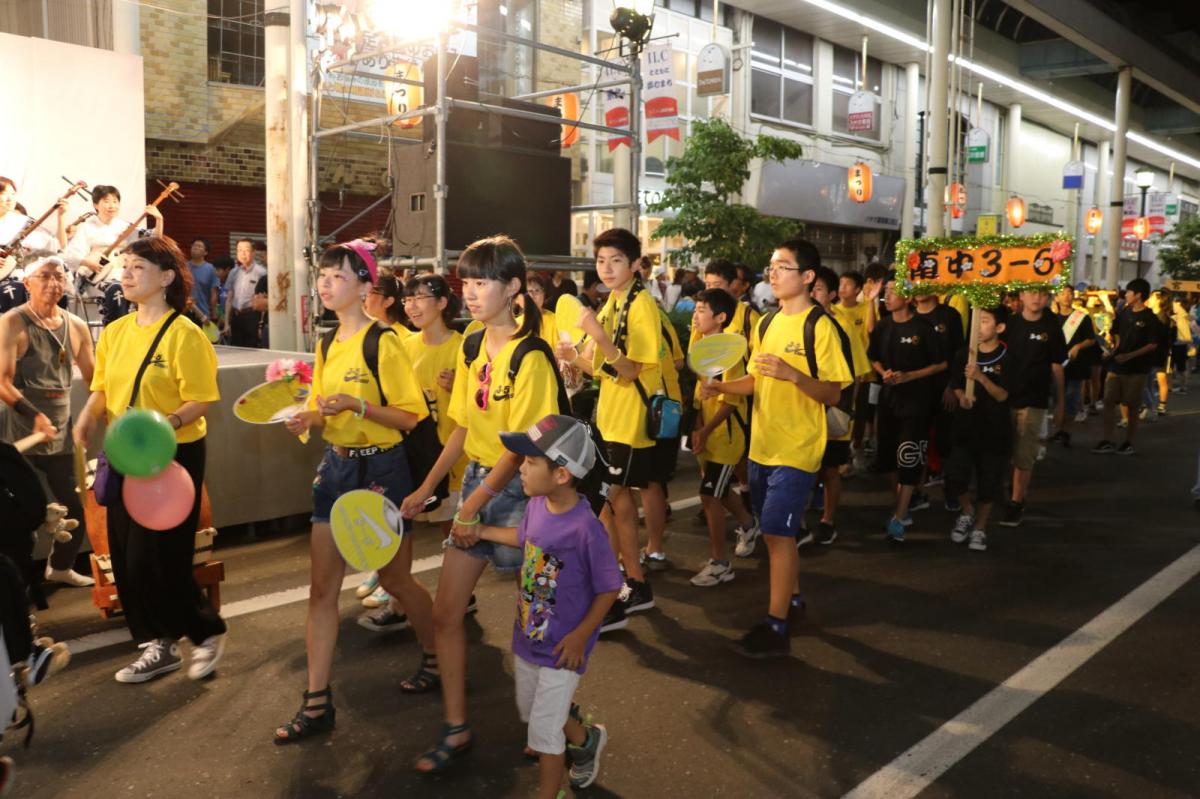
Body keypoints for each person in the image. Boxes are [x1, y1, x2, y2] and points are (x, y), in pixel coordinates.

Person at [400, 235, 560, 773]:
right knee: (447, 613)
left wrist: (472, 506)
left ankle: (564, 727)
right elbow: (464, 426)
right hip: (477, 480)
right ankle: (456, 726)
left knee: (534, 620)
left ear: (513, 287)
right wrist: (429, 488)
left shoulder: (531, 354)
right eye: (466, 281)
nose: (470, 292)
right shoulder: (471, 343)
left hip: (524, 490)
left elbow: (522, 450)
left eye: (482, 281)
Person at [273, 241, 431, 743]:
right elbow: (324, 408)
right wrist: (307, 416)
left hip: (383, 469)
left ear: (366, 287)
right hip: (337, 469)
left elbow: (409, 416)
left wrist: (357, 408)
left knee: (397, 579)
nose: (325, 283)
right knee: (323, 589)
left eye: (338, 276)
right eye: (322, 275)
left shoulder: (384, 343)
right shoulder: (325, 344)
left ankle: (437, 653)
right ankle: (317, 702)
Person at [73, 236, 226, 684]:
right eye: (124, 267)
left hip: (173, 454)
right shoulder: (117, 331)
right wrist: (86, 416)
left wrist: (166, 423)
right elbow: (102, 388)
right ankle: (157, 644)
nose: (125, 274)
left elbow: (202, 399)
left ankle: (205, 633)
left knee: (160, 555)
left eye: (136, 267)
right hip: (124, 451)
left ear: (165, 278)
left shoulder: (185, 333)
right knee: (125, 556)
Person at [700, 239, 852, 657]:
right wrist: (721, 385)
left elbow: (834, 393)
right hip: (762, 446)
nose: (774, 272)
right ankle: (794, 599)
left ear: (807, 277)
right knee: (777, 535)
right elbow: (754, 380)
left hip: (798, 449)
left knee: (776, 534)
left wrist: (793, 374)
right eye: (771, 265)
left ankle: (776, 624)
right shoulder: (766, 324)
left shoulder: (820, 326)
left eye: (783, 266)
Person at [477, 414, 621, 795]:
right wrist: (480, 531)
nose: (520, 469)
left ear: (561, 474)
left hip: (562, 649)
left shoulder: (585, 527)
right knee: (535, 714)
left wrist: (580, 637)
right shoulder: (538, 505)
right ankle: (587, 741)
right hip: (528, 639)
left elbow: (610, 586)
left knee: (542, 735)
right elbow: (524, 538)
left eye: (530, 462)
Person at [558, 228, 662, 631]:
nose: (607, 267)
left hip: (632, 420)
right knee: (616, 506)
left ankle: (615, 589)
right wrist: (573, 356)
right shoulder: (612, 302)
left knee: (603, 503)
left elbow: (633, 368)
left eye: (616, 260)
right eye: (601, 260)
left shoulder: (641, 305)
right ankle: (633, 583)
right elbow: (598, 368)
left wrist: (599, 338)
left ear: (636, 264)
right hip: (611, 417)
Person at [359, 274, 472, 633]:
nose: (411, 306)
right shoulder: (404, 345)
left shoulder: (462, 346)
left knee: (450, 528)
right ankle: (399, 602)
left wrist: (460, 387)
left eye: (420, 298)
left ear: (442, 303)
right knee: (402, 526)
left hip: (452, 456)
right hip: (412, 455)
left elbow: (475, 408)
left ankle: (459, 596)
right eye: (407, 299)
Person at [0, 257, 95, 587]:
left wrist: (102, 415)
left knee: (74, 507)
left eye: (59, 276)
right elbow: (2, 382)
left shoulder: (77, 326)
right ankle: (16, 584)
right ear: (27, 283)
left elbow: (97, 380)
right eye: (45, 276)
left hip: (60, 431)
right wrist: (35, 415)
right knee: (17, 515)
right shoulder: (12, 322)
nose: (54, 282)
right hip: (18, 432)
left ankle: (59, 567)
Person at [868, 279, 946, 542]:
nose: (888, 297)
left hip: (916, 402)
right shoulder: (883, 326)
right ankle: (900, 506)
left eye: (893, 292)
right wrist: (884, 373)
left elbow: (940, 364)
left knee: (909, 455)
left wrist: (911, 376)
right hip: (889, 398)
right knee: (889, 455)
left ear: (909, 297)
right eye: (886, 293)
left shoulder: (923, 328)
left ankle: (900, 516)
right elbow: (873, 357)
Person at [687, 288, 754, 586]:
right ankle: (749, 524)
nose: (695, 315)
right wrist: (698, 428)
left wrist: (706, 429)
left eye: (701, 310)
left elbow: (731, 401)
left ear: (721, 317)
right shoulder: (701, 346)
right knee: (719, 489)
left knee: (710, 494)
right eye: (695, 309)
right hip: (707, 435)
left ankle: (720, 563)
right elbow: (699, 395)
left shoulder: (730, 351)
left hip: (726, 437)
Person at [808, 266, 871, 545]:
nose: (812, 294)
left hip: (834, 409)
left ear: (832, 295)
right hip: (803, 410)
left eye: (818, 289)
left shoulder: (842, 326)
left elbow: (857, 374)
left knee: (830, 469)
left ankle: (827, 521)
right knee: (804, 467)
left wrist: (847, 411)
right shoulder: (796, 321)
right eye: (810, 288)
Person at [997, 289, 1066, 527]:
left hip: (1035, 400)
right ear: (1022, 297)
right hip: (1005, 397)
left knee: (1024, 454)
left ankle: (1016, 503)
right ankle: (1015, 491)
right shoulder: (1010, 323)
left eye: (1042, 294)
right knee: (1007, 450)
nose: (1037, 298)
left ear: (1048, 298)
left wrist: (1060, 403)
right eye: (1031, 293)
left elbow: (1057, 366)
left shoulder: (1052, 326)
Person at [945, 305, 1011, 552]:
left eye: (984, 321)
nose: (979, 326)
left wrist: (981, 377)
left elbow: (1003, 395)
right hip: (965, 427)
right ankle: (967, 511)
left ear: (1000, 328)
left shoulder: (1007, 357)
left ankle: (981, 527)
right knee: (955, 475)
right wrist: (962, 396)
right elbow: (956, 383)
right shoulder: (964, 354)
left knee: (989, 481)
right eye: (977, 321)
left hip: (994, 429)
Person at [1093, 278, 1158, 456]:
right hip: (1116, 366)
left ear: (1138, 295)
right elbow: (1116, 335)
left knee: (1132, 406)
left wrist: (1129, 355)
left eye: (1129, 292)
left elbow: (1152, 345)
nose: (1126, 294)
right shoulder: (1124, 312)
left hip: (1137, 370)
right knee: (1108, 402)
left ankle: (1129, 442)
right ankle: (1107, 440)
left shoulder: (1150, 318)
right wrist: (1111, 350)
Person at [912, 288, 965, 495]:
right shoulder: (910, 316)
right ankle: (920, 488)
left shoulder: (950, 315)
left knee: (947, 441)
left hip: (945, 389)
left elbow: (959, 354)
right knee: (919, 440)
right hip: (918, 391)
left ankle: (952, 491)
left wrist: (953, 385)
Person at [1050, 284, 1097, 446]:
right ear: (1056, 297)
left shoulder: (1081, 318)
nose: (1066, 297)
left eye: (1069, 293)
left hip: (1075, 365)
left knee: (1071, 398)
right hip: (1056, 365)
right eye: (1062, 293)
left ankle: (1066, 431)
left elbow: (1091, 339)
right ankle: (1058, 430)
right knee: (1057, 398)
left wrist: (1078, 346)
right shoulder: (1051, 318)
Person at [222, 238, 265, 347]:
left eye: (246, 250)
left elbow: (265, 300)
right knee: (236, 349)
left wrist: (261, 326)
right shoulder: (233, 272)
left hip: (252, 316)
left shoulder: (261, 272)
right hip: (236, 316)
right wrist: (227, 323)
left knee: (252, 349)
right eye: (239, 250)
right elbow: (229, 298)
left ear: (254, 252)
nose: (243, 253)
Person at [186, 238, 220, 328]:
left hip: (203, 314)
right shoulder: (183, 267)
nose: (195, 248)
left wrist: (214, 312)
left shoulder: (211, 269)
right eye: (194, 245)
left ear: (205, 252)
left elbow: (214, 293)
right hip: (184, 312)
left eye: (199, 246)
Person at [525, 273, 559, 346]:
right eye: (529, 291)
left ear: (544, 294)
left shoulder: (554, 319)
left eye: (537, 290)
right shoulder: (517, 323)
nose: (533, 295)